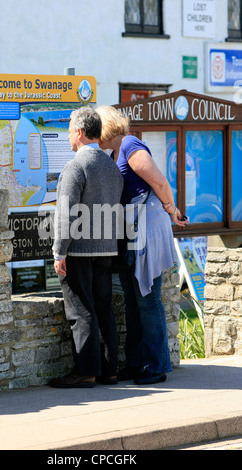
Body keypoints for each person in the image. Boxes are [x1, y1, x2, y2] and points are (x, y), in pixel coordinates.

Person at [96, 105, 188, 385]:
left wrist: (173, 211)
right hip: (130, 231)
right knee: (134, 303)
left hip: (146, 228)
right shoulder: (114, 152)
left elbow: (159, 182)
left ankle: (157, 366)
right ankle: (136, 364)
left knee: (148, 300)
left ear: (105, 127)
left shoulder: (129, 145)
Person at [48, 107, 124, 388]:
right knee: (103, 307)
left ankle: (85, 372)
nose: (69, 136)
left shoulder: (75, 166)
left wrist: (59, 252)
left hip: (79, 250)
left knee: (80, 310)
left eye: (70, 131)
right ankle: (109, 370)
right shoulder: (111, 166)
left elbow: (65, 212)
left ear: (79, 132)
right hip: (107, 248)